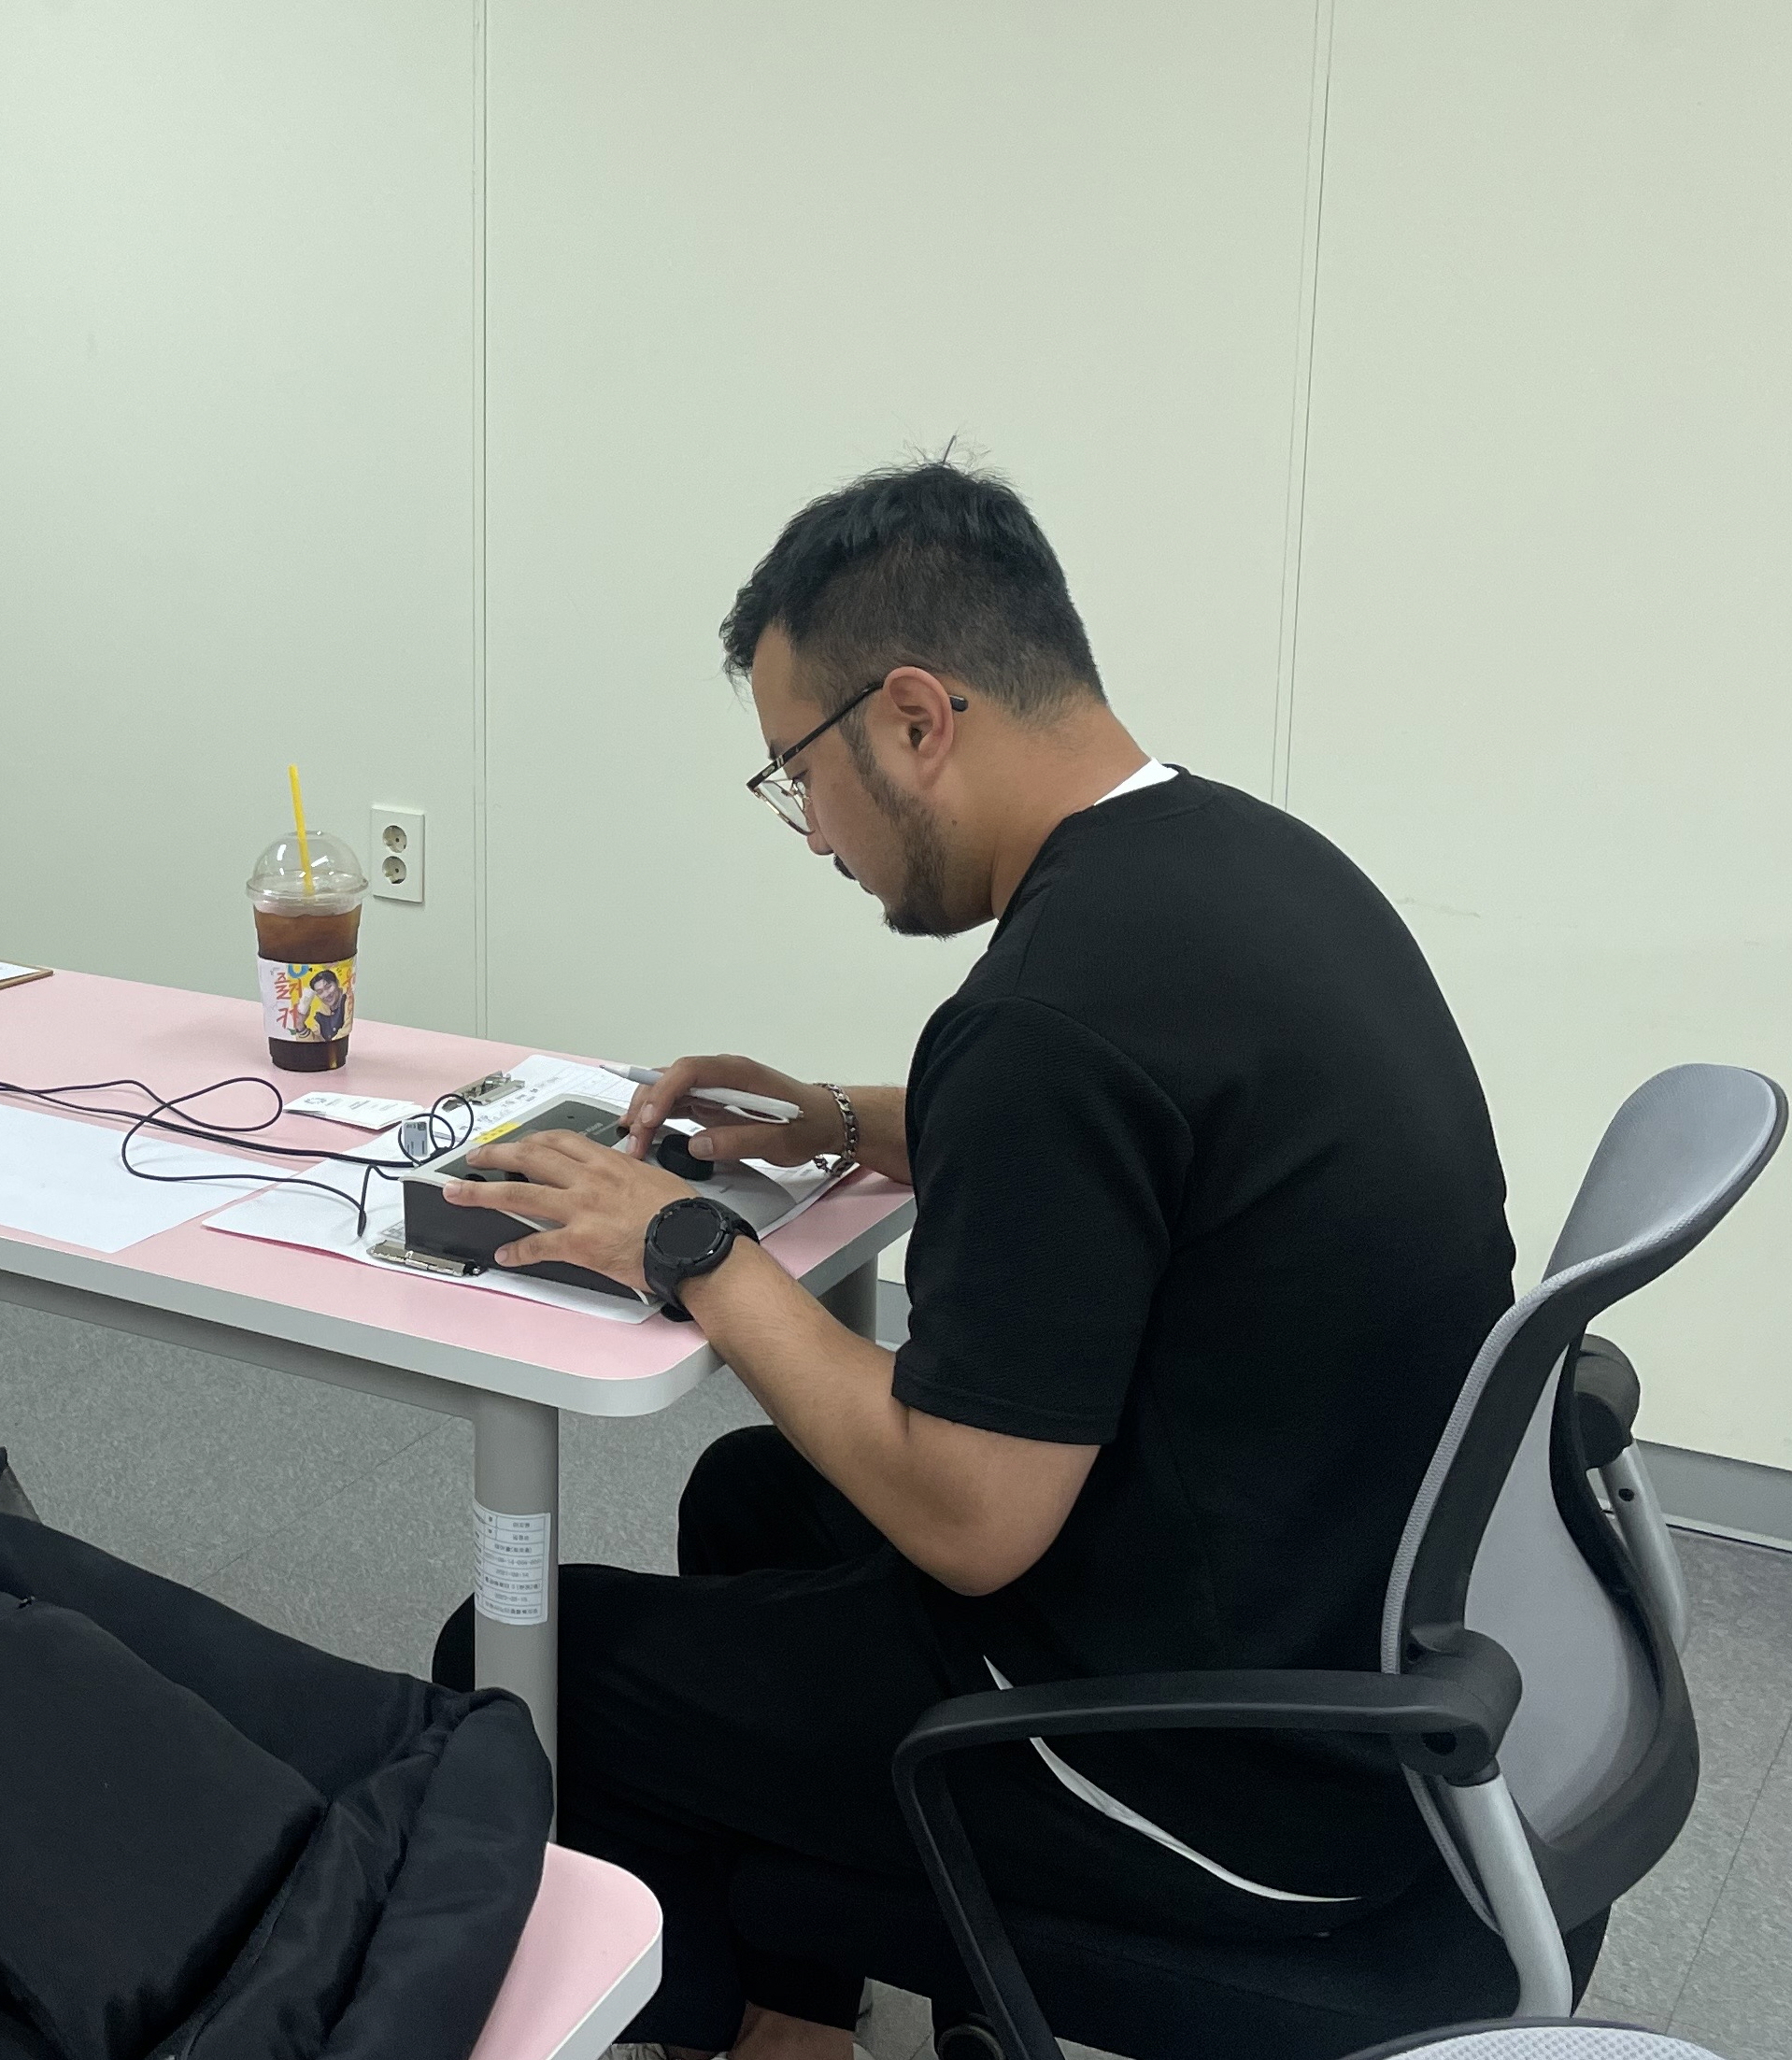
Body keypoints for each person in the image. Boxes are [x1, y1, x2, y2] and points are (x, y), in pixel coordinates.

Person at [430, 459, 1515, 2060]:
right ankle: (794, 2020)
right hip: (1332, 1631)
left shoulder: (1045, 1012)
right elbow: (1140, 1149)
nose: (810, 830)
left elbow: (970, 1520)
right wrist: (836, 1117)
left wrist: (683, 1242)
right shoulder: (1240, 862)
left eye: (798, 773)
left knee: (525, 1658)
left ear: (914, 717)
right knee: (747, 1496)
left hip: (1214, 1781)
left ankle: (725, 2015)